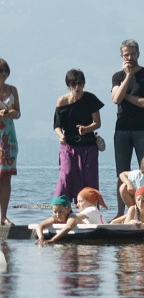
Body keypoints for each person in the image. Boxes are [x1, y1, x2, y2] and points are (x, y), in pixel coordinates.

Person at [111, 39, 144, 216]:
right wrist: (128, 76)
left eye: (132, 54)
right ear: (122, 56)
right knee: (121, 173)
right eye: (126, 54)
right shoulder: (117, 76)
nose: (129, 57)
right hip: (122, 129)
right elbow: (115, 99)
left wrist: (125, 96)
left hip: (143, 129)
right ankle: (121, 212)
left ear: (138, 53)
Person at [53, 69, 103, 201]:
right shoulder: (61, 102)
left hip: (88, 146)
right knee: (66, 175)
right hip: (68, 146)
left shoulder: (90, 99)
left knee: (89, 179)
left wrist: (86, 129)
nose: (77, 87)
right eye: (74, 84)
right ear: (69, 85)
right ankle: (61, 207)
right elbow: (56, 125)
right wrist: (61, 136)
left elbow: (97, 123)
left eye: (80, 84)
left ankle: (91, 211)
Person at [0, 58, 20, 226]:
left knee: (6, 177)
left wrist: (12, 113)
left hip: (8, 137)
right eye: (1, 71)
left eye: (6, 71)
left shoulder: (13, 89)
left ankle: (4, 216)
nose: (4, 74)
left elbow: (19, 113)